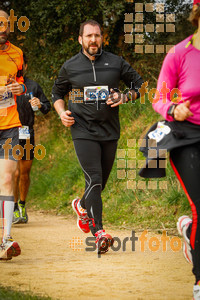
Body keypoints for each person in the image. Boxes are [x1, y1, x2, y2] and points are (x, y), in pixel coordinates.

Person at [52, 19, 144, 254]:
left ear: (102, 38)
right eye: (89, 36)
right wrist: (62, 113)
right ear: (80, 39)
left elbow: (139, 85)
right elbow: (57, 93)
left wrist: (124, 97)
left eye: (97, 35)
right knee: (93, 178)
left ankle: (81, 205)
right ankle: (100, 232)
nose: (94, 40)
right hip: (82, 130)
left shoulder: (115, 62)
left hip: (109, 131)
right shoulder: (70, 66)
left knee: (100, 182)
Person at [139, 1, 200, 298]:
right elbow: (159, 97)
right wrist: (173, 108)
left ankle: (191, 234)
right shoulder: (180, 53)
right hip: (186, 135)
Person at [0, 9, 26, 260]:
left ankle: (4, 240)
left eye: (6, 23)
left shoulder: (16, 53)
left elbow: (21, 81)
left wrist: (20, 87)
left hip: (9, 125)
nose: (3, 27)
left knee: (8, 177)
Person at [13, 53, 51, 224]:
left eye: (21, 64)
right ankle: (12, 208)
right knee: (12, 173)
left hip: (27, 133)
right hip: (8, 133)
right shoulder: (4, 85)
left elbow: (47, 107)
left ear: (25, 66)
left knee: (24, 174)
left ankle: (22, 205)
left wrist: (40, 104)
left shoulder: (33, 86)